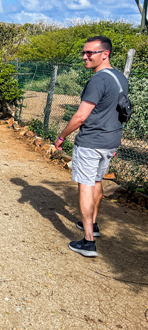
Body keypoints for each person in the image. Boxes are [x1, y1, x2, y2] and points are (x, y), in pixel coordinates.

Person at [55, 36, 128, 258]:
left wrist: (61, 137)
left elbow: (80, 116)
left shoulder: (97, 80)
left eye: (90, 53)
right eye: (84, 52)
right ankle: (93, 225)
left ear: (104, 54)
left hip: (91, 142)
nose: (85, 57)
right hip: (110, 141)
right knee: (97, 182)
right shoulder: (119, 77)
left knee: (85, 185)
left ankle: (87, 242)